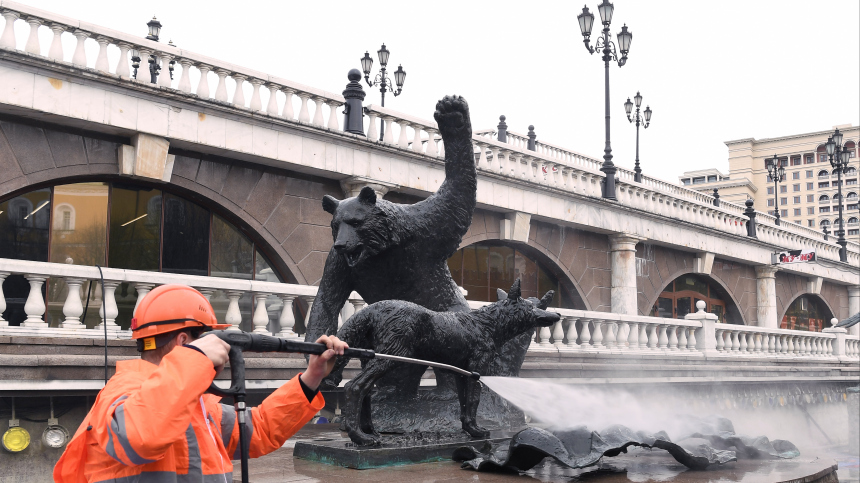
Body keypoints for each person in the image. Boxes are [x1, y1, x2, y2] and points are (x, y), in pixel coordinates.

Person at [54, 284, 347, 483]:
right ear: (185, 342)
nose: (222, 349)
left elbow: (258, 431)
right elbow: (141, 437)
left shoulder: (196, 404)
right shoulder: (121, 392)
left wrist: (312, 377)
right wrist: (194, 360)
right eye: (211, 340)